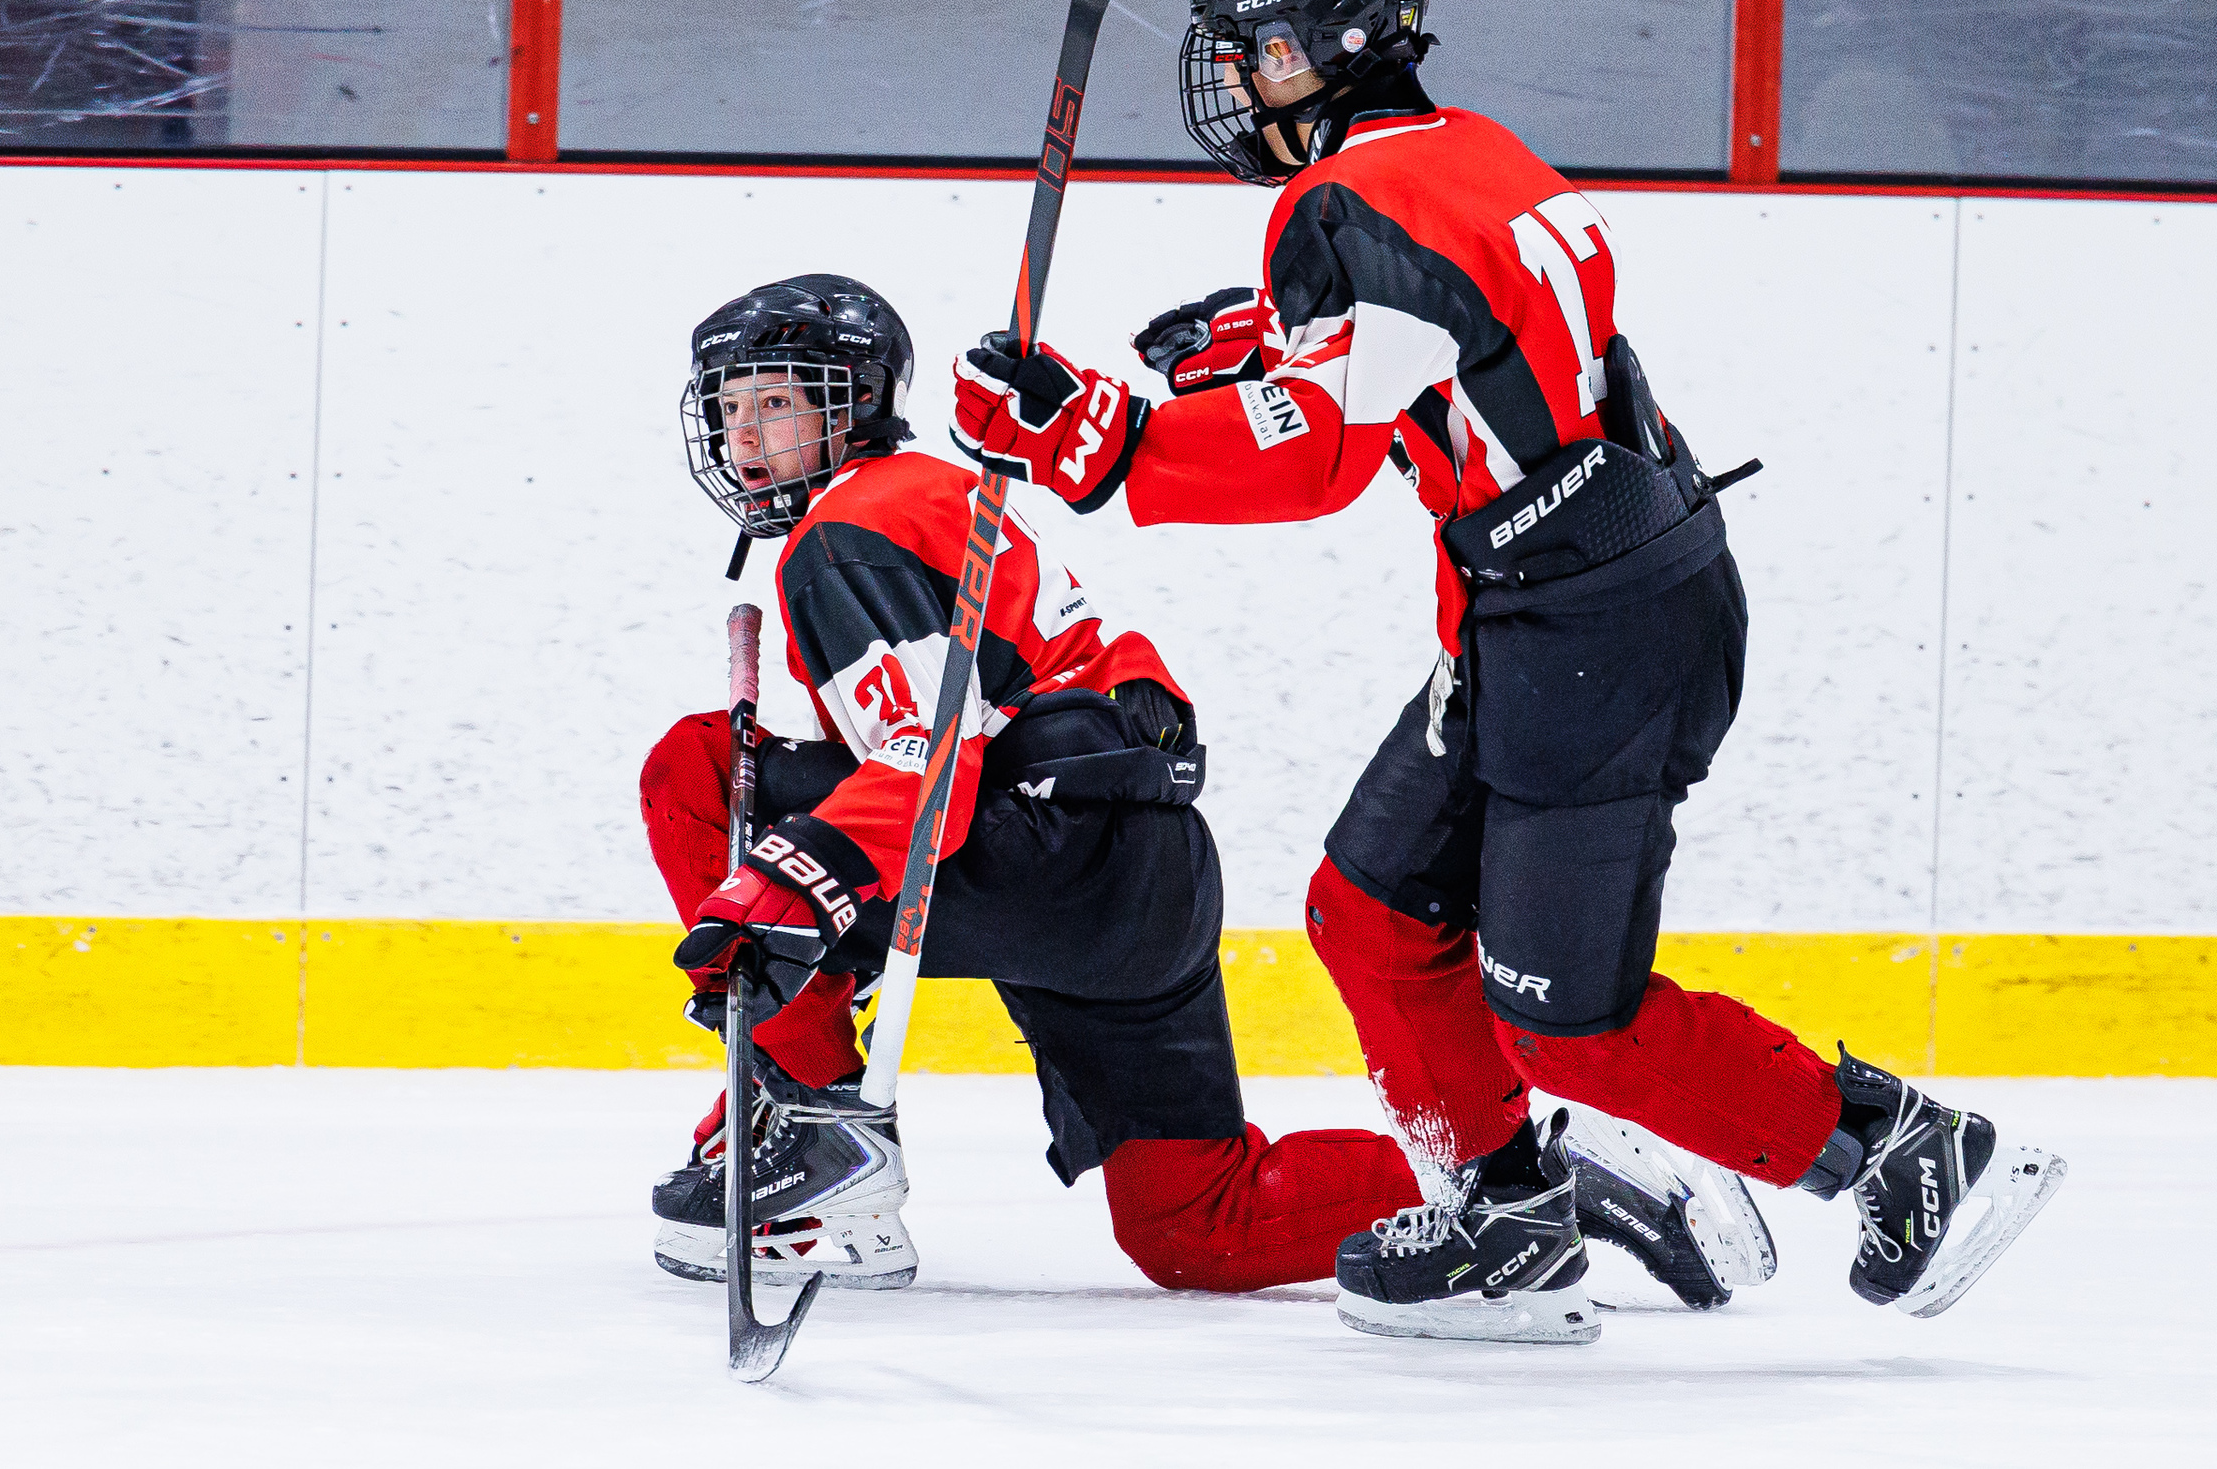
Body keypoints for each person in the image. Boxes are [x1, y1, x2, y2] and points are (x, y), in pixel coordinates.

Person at [948, 0, 2063, 1338]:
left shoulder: (1338, 208)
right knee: (1368, 911)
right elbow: (1476, 345)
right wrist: (1276, 337)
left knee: (1565, 1021)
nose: (1237, 82)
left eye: (1257, 51)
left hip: (1593, 641)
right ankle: (1506, 1217)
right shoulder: (1472, 149)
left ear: (1328, 48)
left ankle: (1906, 1150)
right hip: (1569, 610)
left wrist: (1098, 440)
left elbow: (1316, 455)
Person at [642, 273, 1747, 1325]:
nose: (746, 438)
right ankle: (1524, 1182)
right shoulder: (936, 497)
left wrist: (784, 891)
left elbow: (926, 763)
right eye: (730, 412)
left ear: (855, 405)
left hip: (1045, 850)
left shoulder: (845, 532)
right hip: (1143, 872)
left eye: (777, 404)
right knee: (1198, 1224)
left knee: (697, 771)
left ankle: (816, 1135)